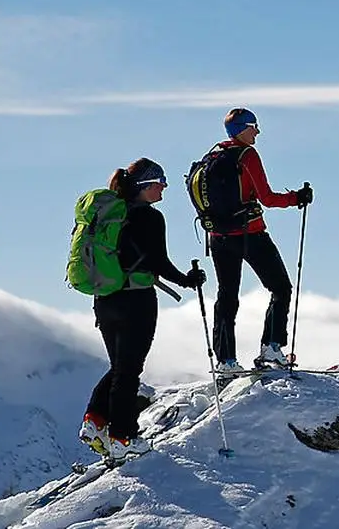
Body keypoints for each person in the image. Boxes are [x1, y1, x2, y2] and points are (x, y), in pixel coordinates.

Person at [80, 158, 206, 458]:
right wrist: (188, 280)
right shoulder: (150, 217)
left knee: (120, 367)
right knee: (129, 371)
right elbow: (158, 262)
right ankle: (123, 438)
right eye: (159, 181)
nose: (164, 187)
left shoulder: (108, 215)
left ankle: (95, 421)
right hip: (137, 299)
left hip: (105, 298)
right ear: (144, 185)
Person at [203, 108, 312, 374]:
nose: (258, 131)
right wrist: (296, 198)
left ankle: (226, 361)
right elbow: (267, 198)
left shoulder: (213, 155)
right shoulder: (247, 155)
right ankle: (271, 348)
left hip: (218, 237)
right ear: (242, 128)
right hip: (250, 233)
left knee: (227, 296)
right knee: (281, 288)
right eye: (254, 126)